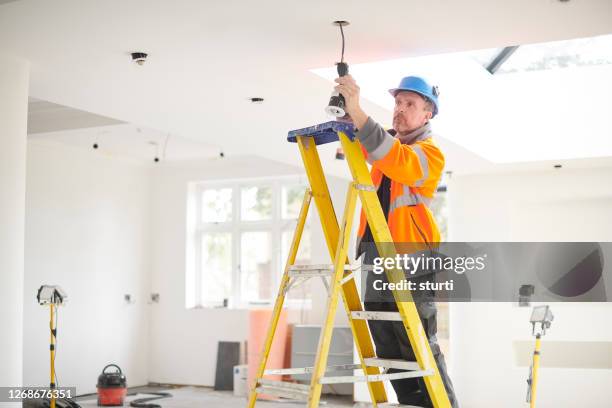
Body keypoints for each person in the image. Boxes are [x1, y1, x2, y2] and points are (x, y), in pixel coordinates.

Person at [335, 74, 459, 407]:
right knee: (388, 346)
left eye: (410, 104)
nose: (400, 110)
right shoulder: (386, 146)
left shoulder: (429, 155)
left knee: (417, 343)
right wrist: (347, 114)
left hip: (412, 261)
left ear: (427, 114)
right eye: (398, 103)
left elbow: (396, 161)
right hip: (376, 259)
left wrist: (360, 113)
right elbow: (354, 150)